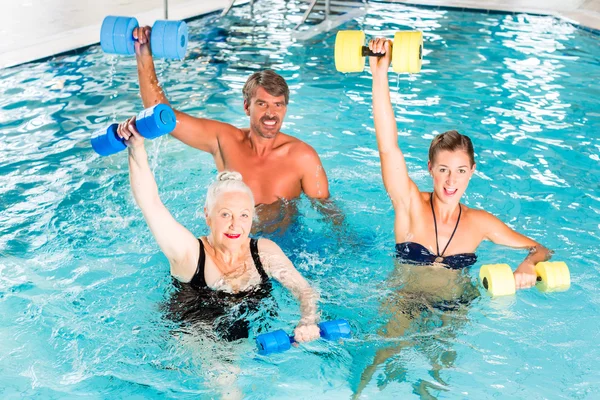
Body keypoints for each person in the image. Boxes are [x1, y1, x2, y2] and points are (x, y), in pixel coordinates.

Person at [354, 38, 553, 397]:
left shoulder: (480, 222)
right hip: (406, 299)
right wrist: (379, 75)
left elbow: (540, 249)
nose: (451, 180)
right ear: (430, 168)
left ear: (472, 172)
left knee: (438, 373)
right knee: (383, 356)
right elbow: (388, 146)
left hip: (456, 305)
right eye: (443, 169)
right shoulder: (410, 205)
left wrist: (528, 265)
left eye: (460, 171)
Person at [117, 114, 321, 344]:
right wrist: (136, 148)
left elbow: (304, 290)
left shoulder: (264, 252)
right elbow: (150, 204)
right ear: (208, 216)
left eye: (243, 215)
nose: (235, 225)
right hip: (192, 334)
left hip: (250, 332)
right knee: (224, 375)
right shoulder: (190, 254)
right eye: (225, 214)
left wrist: (308, 320)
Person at [132, 27, 330, 207]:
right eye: (262, 104)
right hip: (233, 241)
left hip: (285, 244)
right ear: (246, 107)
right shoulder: (224, 140)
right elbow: (162, 117)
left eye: (278, 105)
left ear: (285, 109)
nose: (271, 113)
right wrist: (144, 55)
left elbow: (329, 212)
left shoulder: (303, 157)